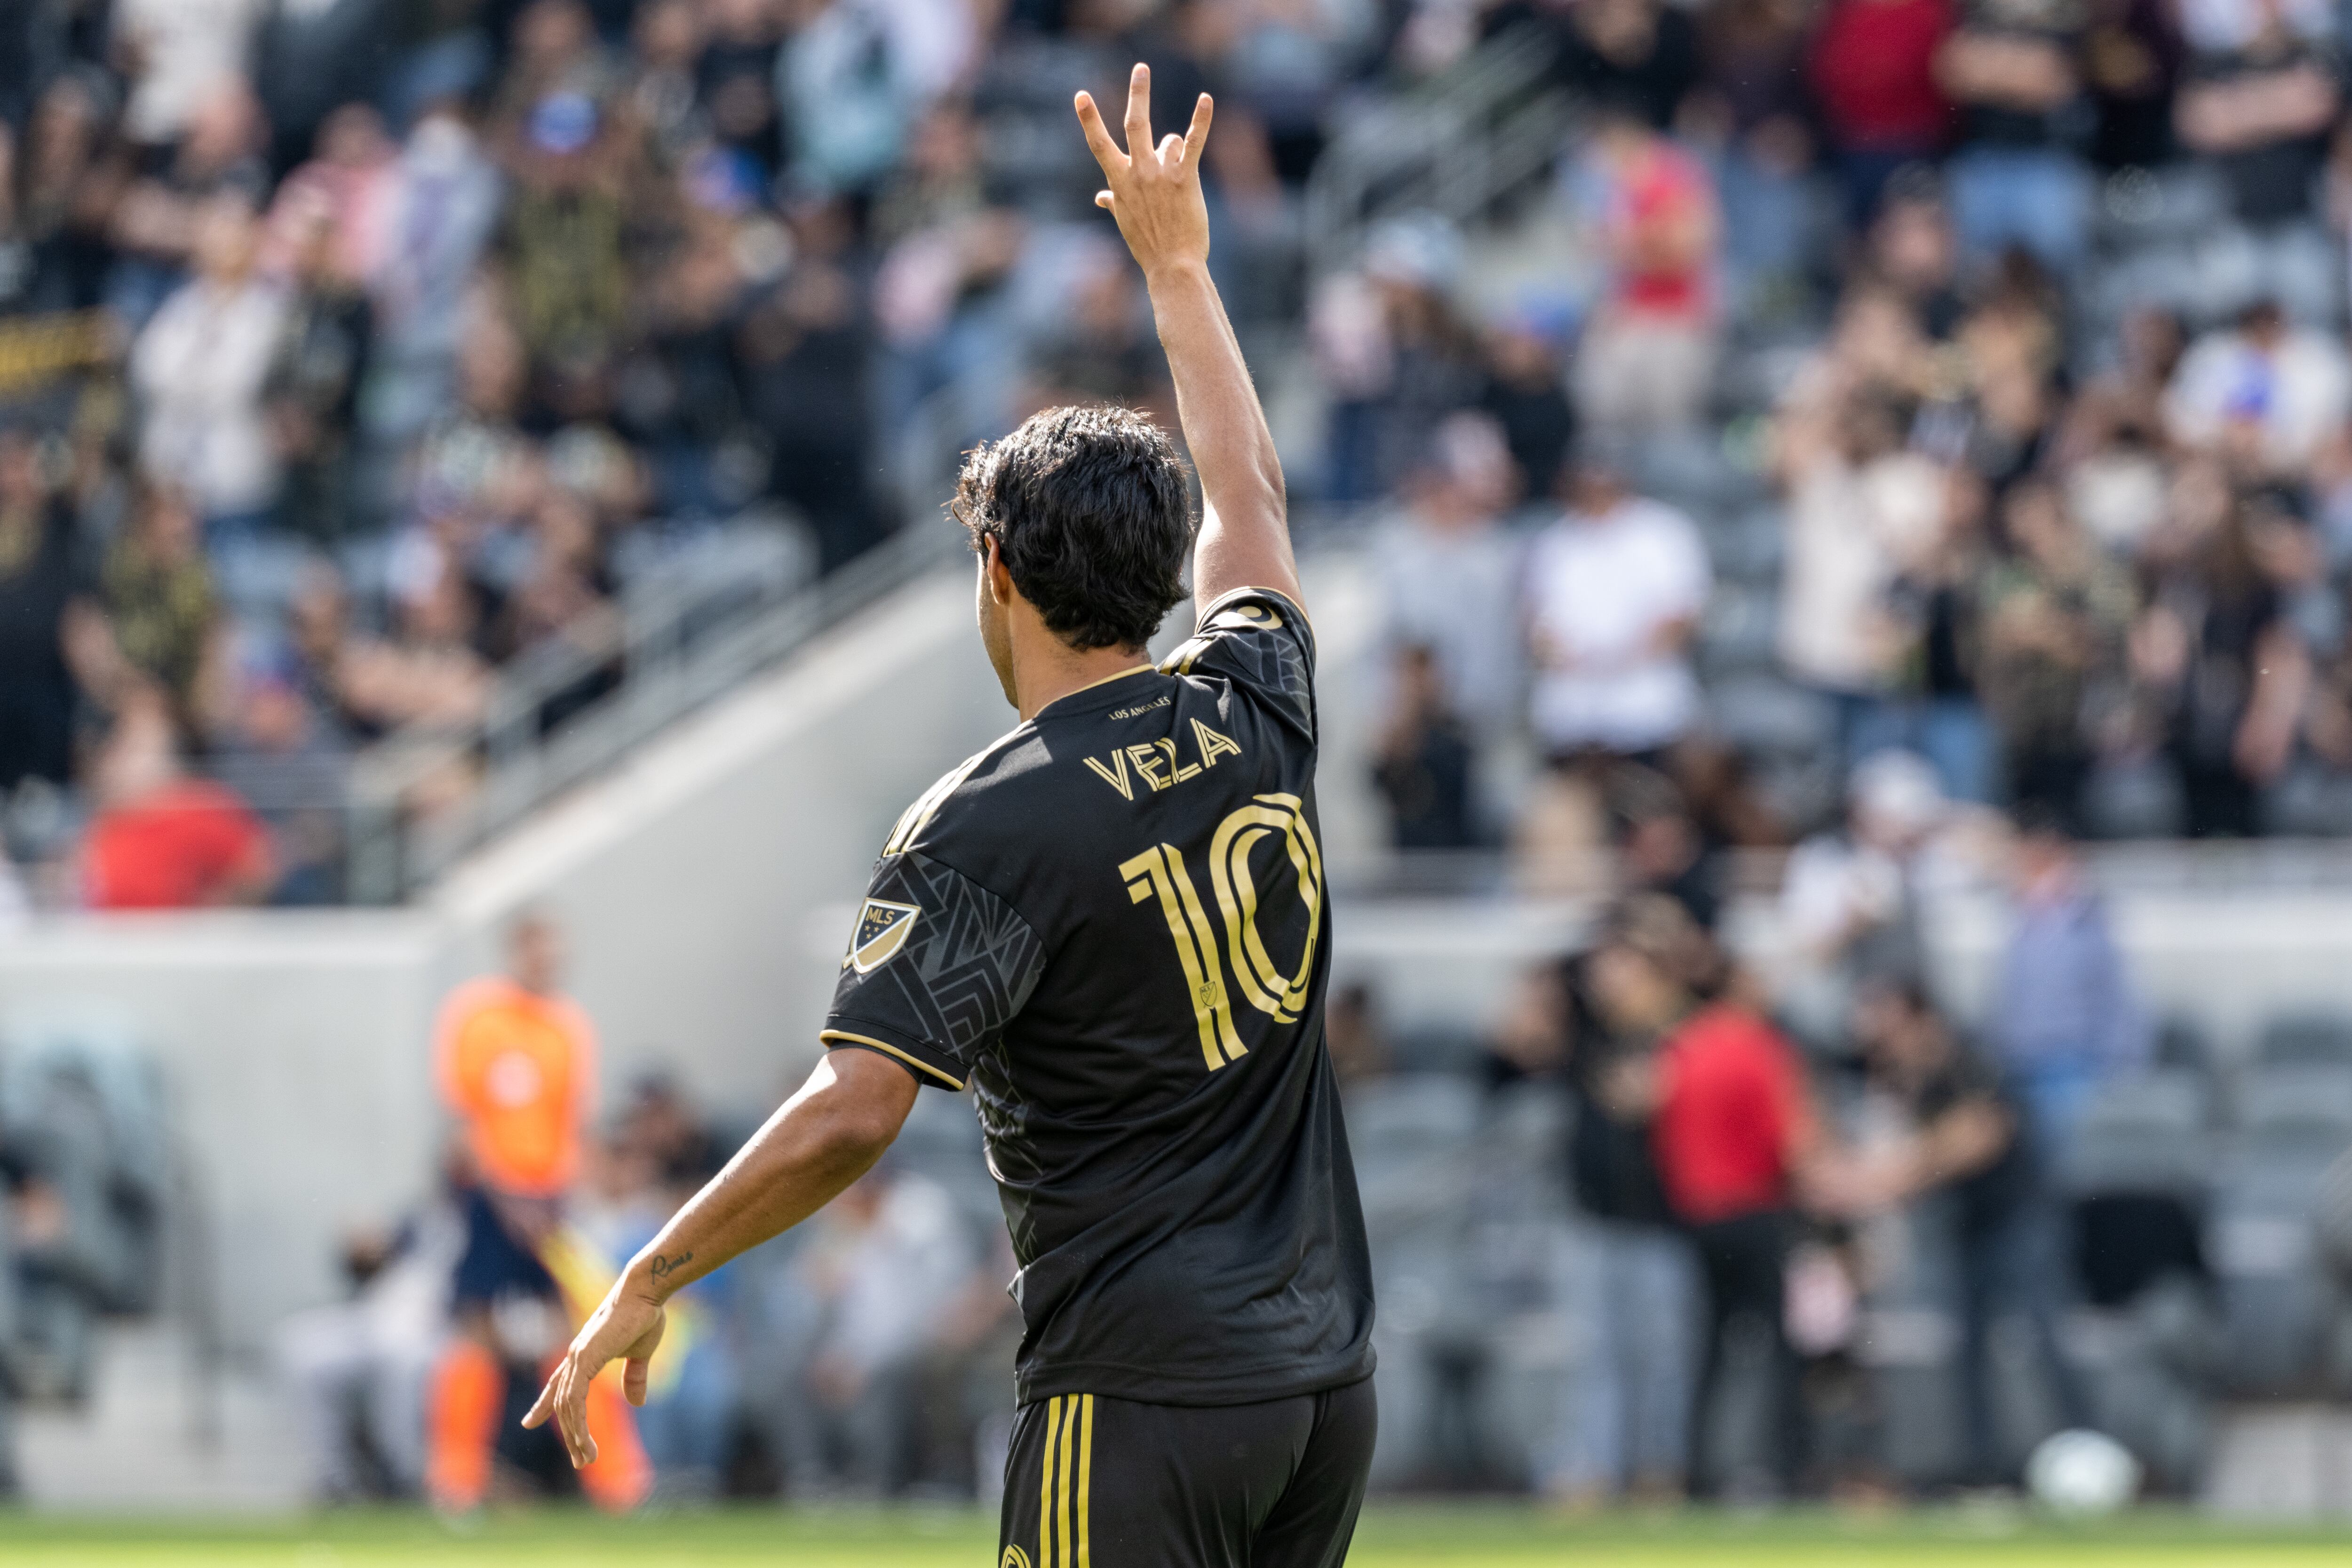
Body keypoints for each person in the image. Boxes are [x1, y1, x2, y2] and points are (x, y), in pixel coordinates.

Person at [528, 69, 1377, 1568]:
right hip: (1321, 1386)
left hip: (1140, 1395)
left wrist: (652, 1269)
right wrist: (1178, 271)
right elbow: (1251, 496)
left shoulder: (986, 822)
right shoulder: (1256, 701)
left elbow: (857, 1107)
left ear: (995, 567)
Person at [427, 911, 645, 1512]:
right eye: (541, 951)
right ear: (517, 951)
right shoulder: (480, 1017)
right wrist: (506, 1198)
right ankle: (457, 1481)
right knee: (476, 1337)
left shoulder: (567, 1028)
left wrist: (558, 1201)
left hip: (548, 1206)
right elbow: (465, 1125)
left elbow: (571, 1125)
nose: (551, 963)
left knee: (574, 1335)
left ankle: (616, 1482)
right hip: (490, 1202)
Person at [1832, 977, 2088, 1484]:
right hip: (1966, 1231)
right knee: (1967, 1354)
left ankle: (2083, 1454)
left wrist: (1888, 1178)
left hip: (2017, 1224)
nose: (1882, 1041)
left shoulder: (1968, 1057)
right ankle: (1981, 1471)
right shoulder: (1909, 1078)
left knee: (2043, 1340)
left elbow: (1976, 1136)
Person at [1990, 807, 2148, 1151]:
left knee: (2065, 1161)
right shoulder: (2022, 922)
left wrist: (2119, 1074)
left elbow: (2117, 1002)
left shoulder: (2087, 922)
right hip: (2019, 1066)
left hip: (2071, 1068)